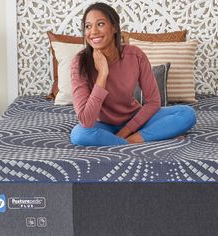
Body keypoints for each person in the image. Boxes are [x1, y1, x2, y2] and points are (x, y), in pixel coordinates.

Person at [70, 2, 196, 146]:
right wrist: (103, 74)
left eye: (100, 24)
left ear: (114, 28)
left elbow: (153, 101)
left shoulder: (135, 55)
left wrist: (127, 131)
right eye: (88, 26)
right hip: (101, 125)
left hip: (135, 120)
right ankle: (134, 140)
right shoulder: (79, 63)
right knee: (79, 134)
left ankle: (131, 140)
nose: (93, 31)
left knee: (187, 113)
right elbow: (86, 120)